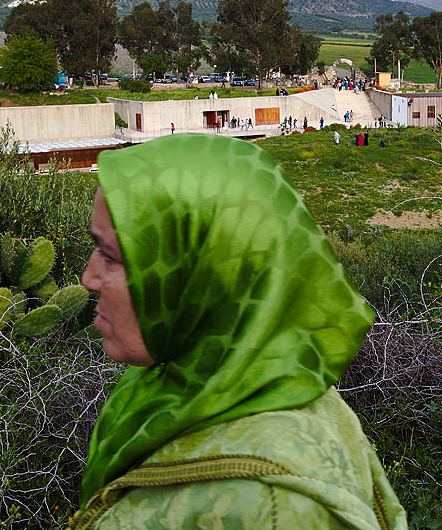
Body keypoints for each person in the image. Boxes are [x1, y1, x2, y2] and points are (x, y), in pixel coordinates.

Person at [72, 134, 406, 529]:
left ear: (204, 277)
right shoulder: (183, 383)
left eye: (110, 256)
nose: (88, 278)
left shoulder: (270, 508)